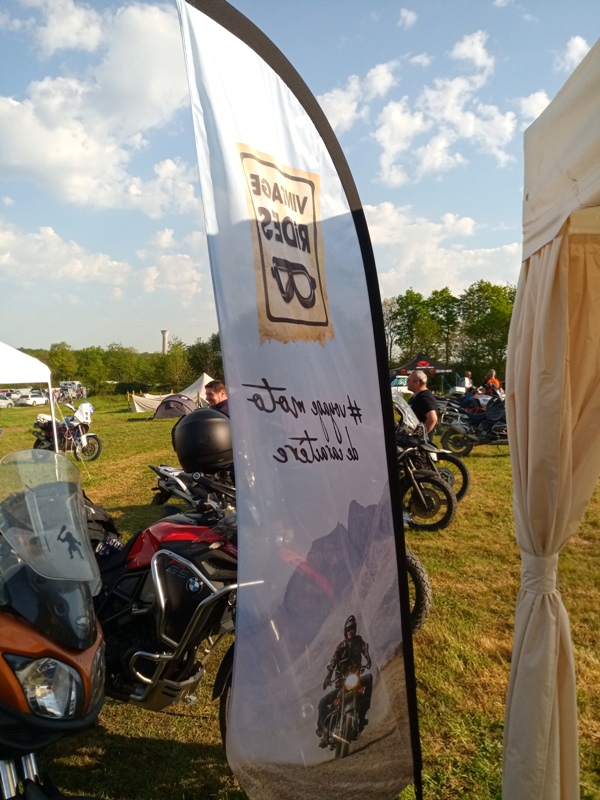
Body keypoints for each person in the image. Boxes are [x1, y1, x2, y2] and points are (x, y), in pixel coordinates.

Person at [316, 615, 373, 748]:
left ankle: (362, 716)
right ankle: (323, 732)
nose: (350, 631)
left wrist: (368, 659)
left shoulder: (359, 641)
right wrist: (328, 676)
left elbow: (364, 649)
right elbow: (333, 661)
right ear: (345, 631)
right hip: (341, 684)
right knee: (323, 702)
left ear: (355, 629)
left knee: (369, 678)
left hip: (355, 680)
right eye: (348, 629)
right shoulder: (340, 647)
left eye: (352, 628)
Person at [407, 370, 438, 440]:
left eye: (409, 380)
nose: (407, 382)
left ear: (417, 383)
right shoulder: (417, 396)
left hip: (419, 443)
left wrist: (419, 435)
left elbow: (432, 419)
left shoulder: (424, 398)